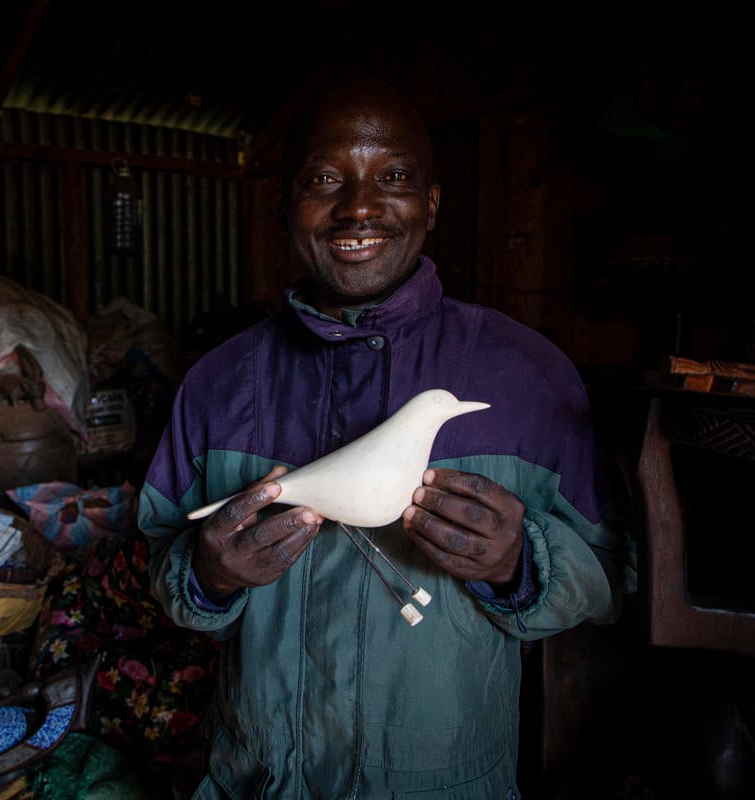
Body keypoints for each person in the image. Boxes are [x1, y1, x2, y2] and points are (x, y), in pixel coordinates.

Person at [137, 76, 636, 799]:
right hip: (257, 779)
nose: (360, 205)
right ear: (284, 206)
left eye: (393, 176)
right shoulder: (219, 383)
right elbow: (162, 552)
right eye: (324, 179)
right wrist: (208, 576)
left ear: (430, 206)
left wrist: (517, 565)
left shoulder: (528, 375)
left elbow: (611, 572)